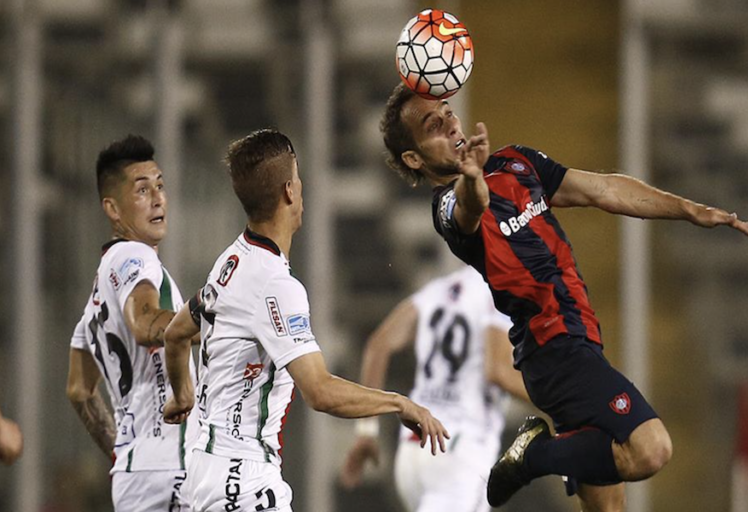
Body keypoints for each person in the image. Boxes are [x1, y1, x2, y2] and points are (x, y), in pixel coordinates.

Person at [379, 83, 748, 511]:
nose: (450, 124)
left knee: (610, 508)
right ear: (414, 157)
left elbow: (603, 190)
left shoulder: (517, 163)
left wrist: (690, 211)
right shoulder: (447, 206)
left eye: (448, 112)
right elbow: (471, 208)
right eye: (434, 125)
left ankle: (551, 454)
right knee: (651, 448)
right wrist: (469, 177)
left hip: (577, 340)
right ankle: (533, 456)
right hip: (552, 348)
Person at [161, 128, 449, 512]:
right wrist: (400, 404)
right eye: (297, 178)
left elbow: (176, 333)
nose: (301, 187)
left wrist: (183, 395)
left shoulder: (230, 262)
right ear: (289, 192)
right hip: (242, 480)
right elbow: (320, 391)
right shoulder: (276, 285)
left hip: (203, 470)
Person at [66, 135, 198, 512]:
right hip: (173, 467)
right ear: (113, 208)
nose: (157, 198)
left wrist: (125, 449)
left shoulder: (95, 301)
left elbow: (79, 389)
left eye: (160, 185)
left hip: (136, 475)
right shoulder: (134, 257)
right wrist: (215, 325)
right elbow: (144, 323)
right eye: (142, 190)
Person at [340, 264, 531, 511]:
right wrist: (559, 405)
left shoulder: (437, 290)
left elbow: (379, 345)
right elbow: (498, 372)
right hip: (460, 450)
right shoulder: (500, 290)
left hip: (413, 451)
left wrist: (366, 431)